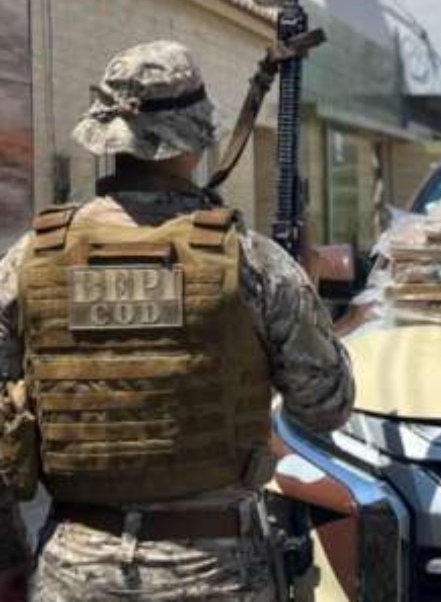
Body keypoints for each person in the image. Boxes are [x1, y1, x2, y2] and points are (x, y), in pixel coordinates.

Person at [0, 40, 354, 601]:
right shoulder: (252, 260)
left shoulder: (32, 259)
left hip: (73, 567)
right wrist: (305, 287)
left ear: (107, 138)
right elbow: (327, 404)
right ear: (194, 141)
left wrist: (8, 557)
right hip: (216, 570)